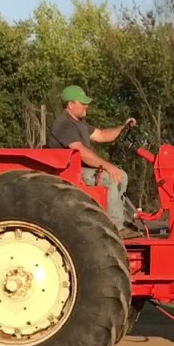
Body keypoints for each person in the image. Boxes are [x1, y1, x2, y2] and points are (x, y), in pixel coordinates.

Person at [46, 85, 142, 238]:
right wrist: (107, 166)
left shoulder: (79, 122)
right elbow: (82, 153)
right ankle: (117, 227)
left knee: (122, 175)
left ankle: (123, 220)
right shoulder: (64, 124)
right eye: (82, 102)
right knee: (109, 178)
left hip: (78, 169)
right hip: (68, 172)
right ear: (71, 104)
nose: (86, 106)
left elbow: (102, 135)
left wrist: (123, 127)